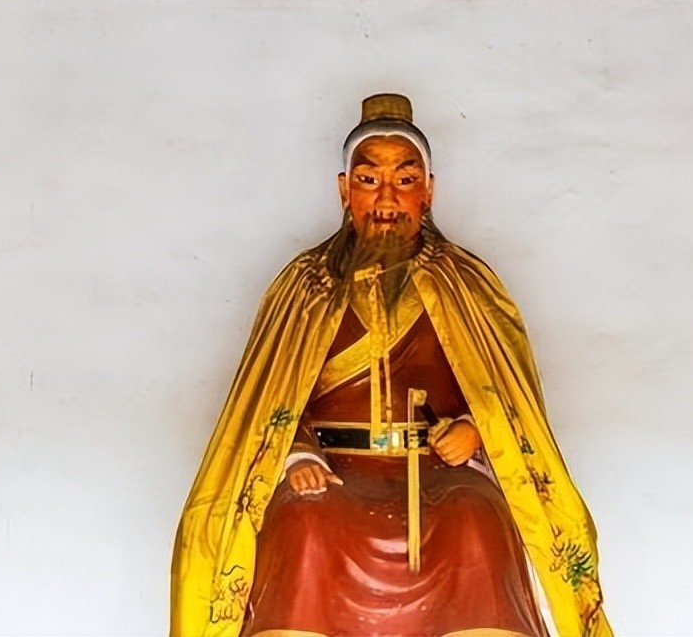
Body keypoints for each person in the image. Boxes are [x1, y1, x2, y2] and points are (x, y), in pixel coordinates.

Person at [171, 94, 611, 637]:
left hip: (440, 475)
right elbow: (270, 405)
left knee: (477, 520)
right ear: (344, 191)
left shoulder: (466, 284)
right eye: (368, 179)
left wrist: (474, 430)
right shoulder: (306, 287)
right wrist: (300, 454)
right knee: (304, 522)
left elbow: (507, 400)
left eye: (404, 180)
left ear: (428, 191)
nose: (386, 198)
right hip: (331, 473)